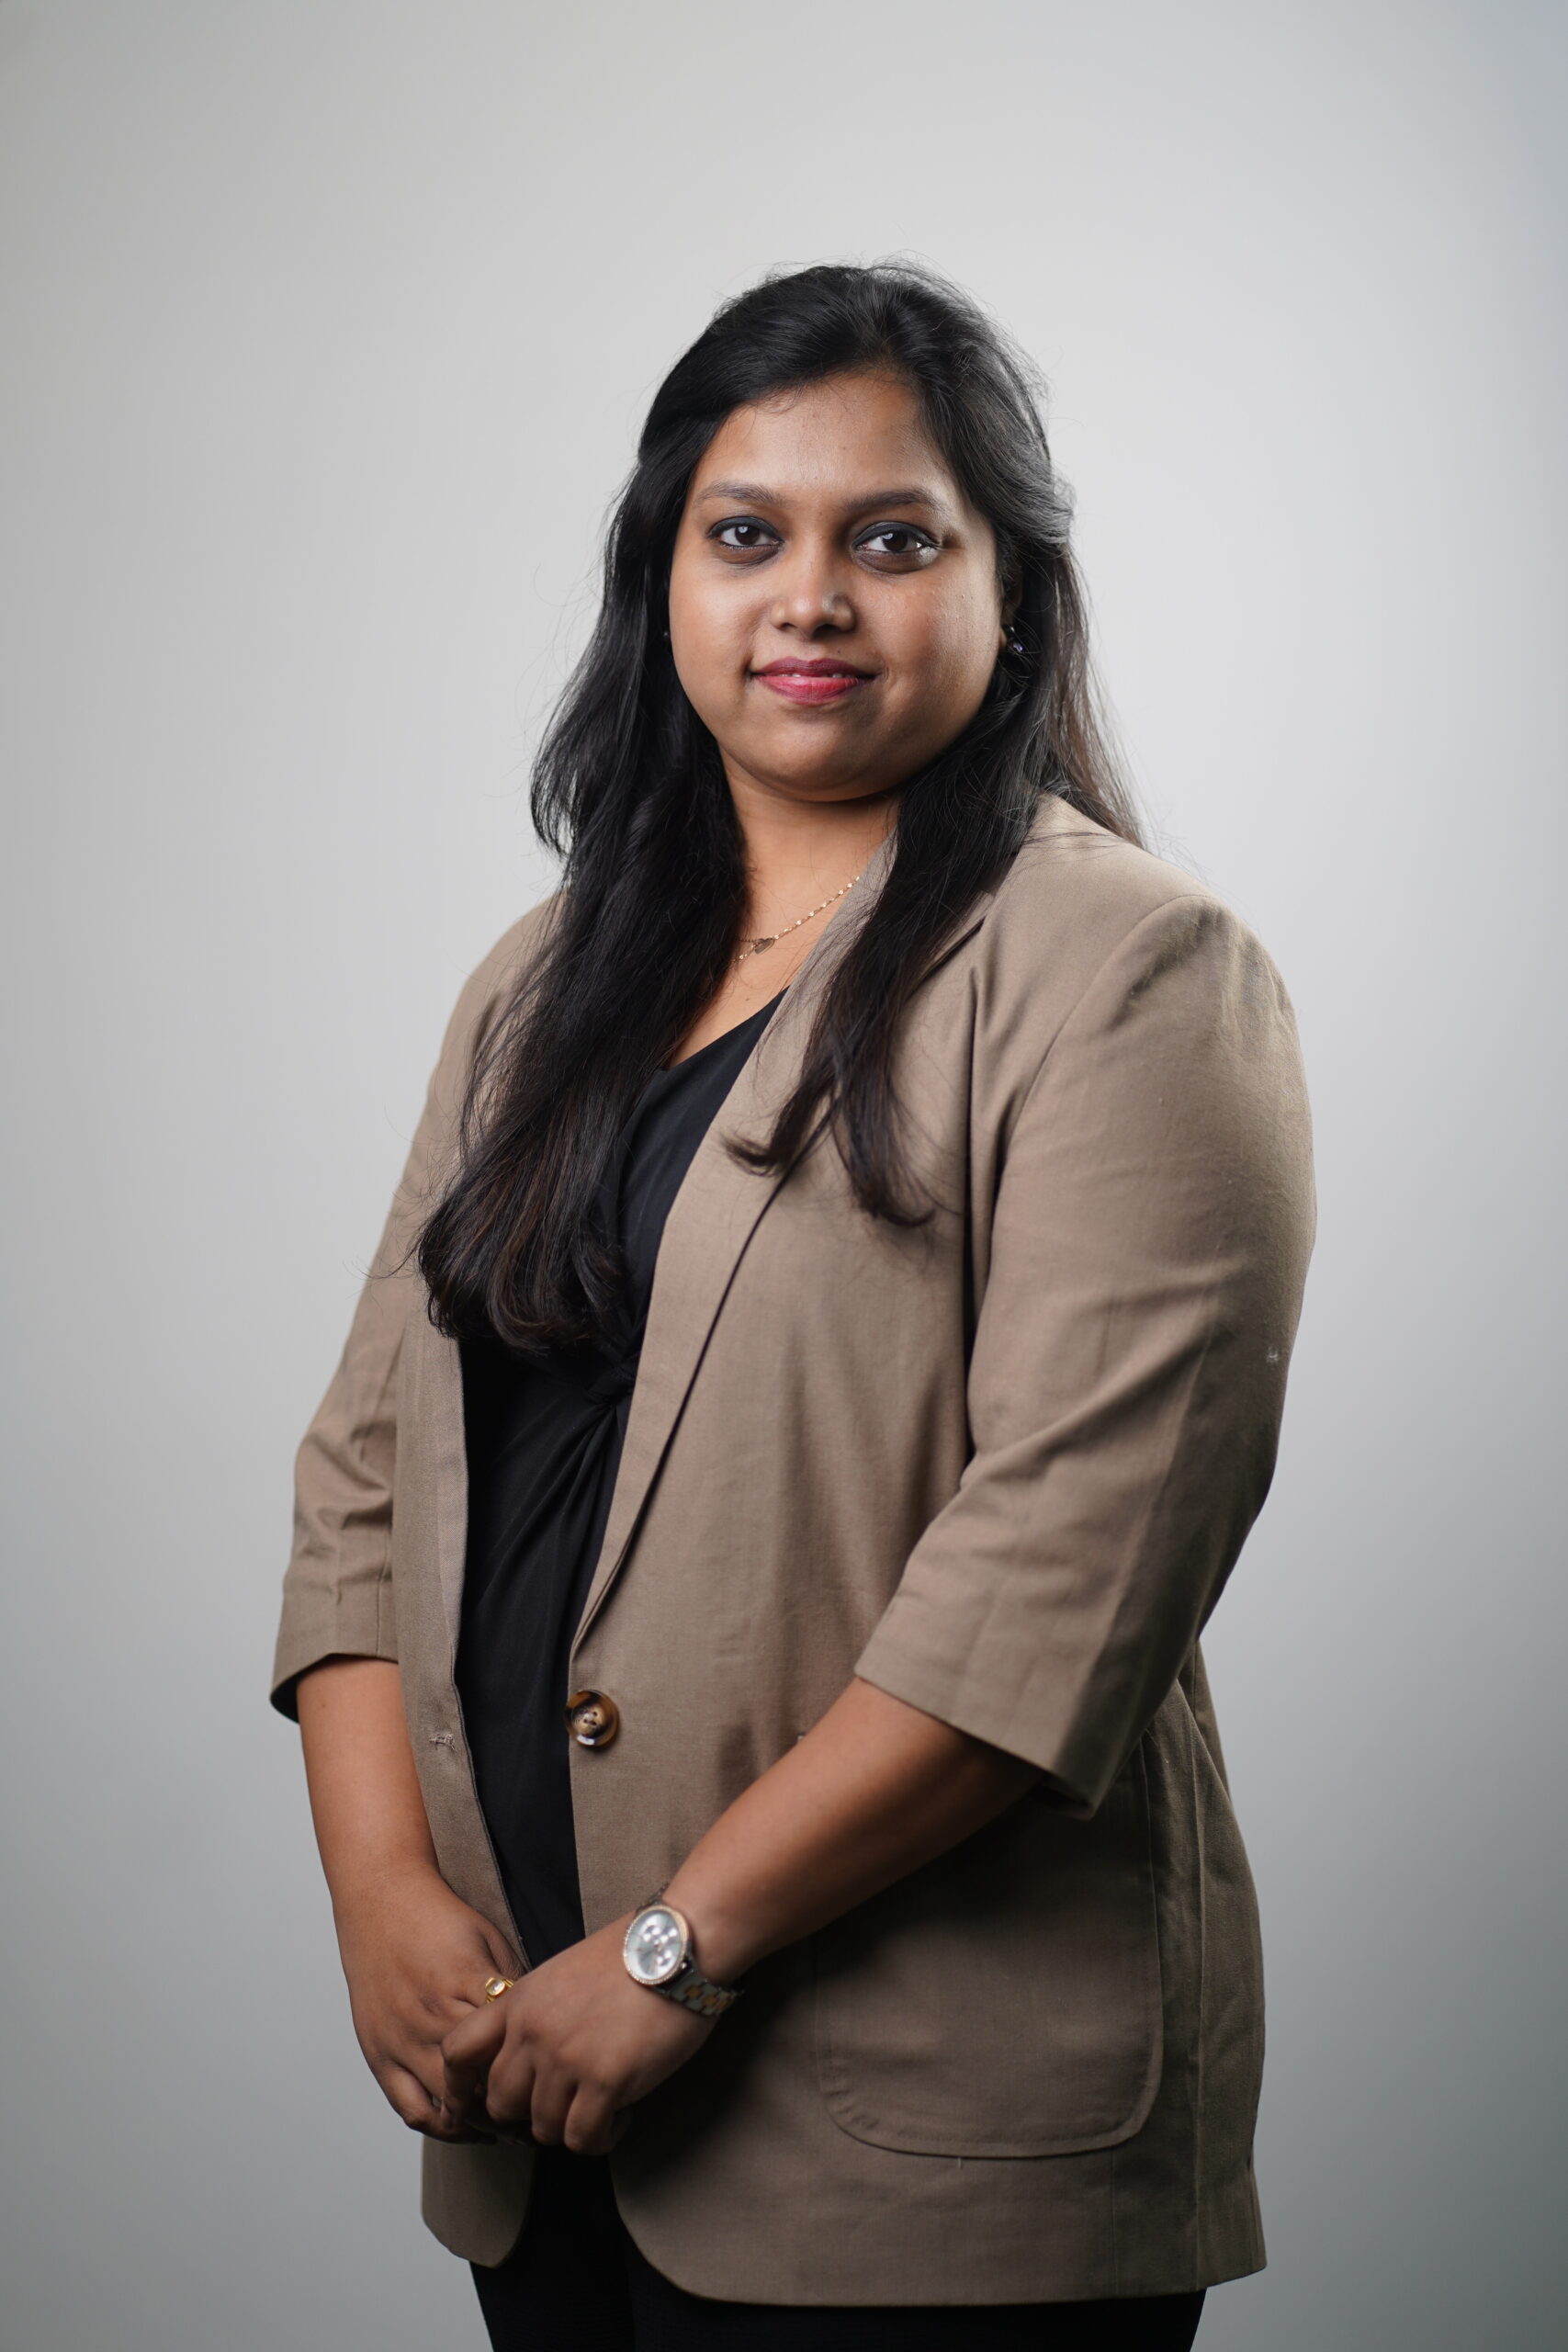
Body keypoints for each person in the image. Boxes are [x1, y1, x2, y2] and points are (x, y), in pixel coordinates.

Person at [271, 260, 1315, 2351]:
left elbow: (1061, 1575)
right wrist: (382, 1894)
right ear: (660, 579)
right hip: (529, 2091)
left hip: (928, 2141)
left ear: (1013, 591)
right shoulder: (538, 982)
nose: (809, 597)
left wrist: (676, 1946)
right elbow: (365, 1474)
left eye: (894, 540)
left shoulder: (1127, 971)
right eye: (744, 533)